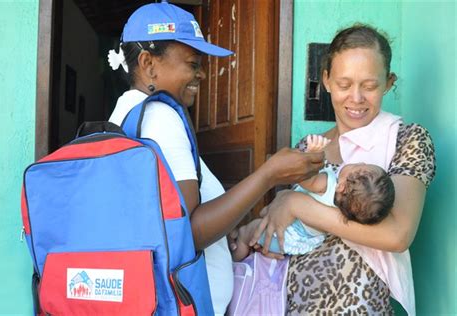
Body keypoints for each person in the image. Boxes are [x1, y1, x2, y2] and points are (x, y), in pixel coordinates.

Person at [106, 1, 325, 314]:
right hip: (182, 304)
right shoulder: (160, 118)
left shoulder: (124, 114)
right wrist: (269, 175)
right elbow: (188, 233)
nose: (202, 73)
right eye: (193, 63)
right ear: (148, 63)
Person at [232, 23, 436, 314]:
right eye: (344, 84)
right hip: (291, 301)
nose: (356, 98)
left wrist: (296, 203)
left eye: (370, 86)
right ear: (326, 80)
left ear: (389, 83)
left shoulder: (407, 138)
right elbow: (284, 226)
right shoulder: (309, 146)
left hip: (357, 304)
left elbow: (397, 235)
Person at [232, 134, 395, 260]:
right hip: (299, 244)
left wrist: (311, 155)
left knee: (248, 233)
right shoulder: (344, 210)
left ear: (341, 186)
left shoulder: (327, 184)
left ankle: (234, 259)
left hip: (282, 234)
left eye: (359, 167)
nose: (363, 163)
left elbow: (304, 178)